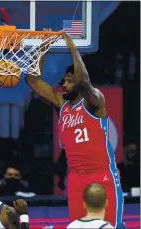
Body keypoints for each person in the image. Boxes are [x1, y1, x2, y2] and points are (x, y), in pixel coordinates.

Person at [25, 32, 124, 228]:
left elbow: (84, 83)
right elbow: (32, 81)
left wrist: (73, 49)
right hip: (77, 177)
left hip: (102, 174)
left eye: (68, 80)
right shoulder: (61, 105)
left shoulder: (94, 102)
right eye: (63, 81)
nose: (63, 84)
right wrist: (43, 48)